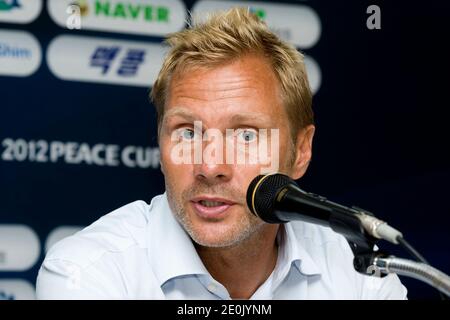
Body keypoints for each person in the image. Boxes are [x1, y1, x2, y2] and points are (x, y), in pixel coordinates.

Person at [36, 7, 407, 299]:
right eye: (186, 132)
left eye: (245, 135)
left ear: (301, 151)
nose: (210, 166)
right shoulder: (87, 273)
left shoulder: (361, 276)